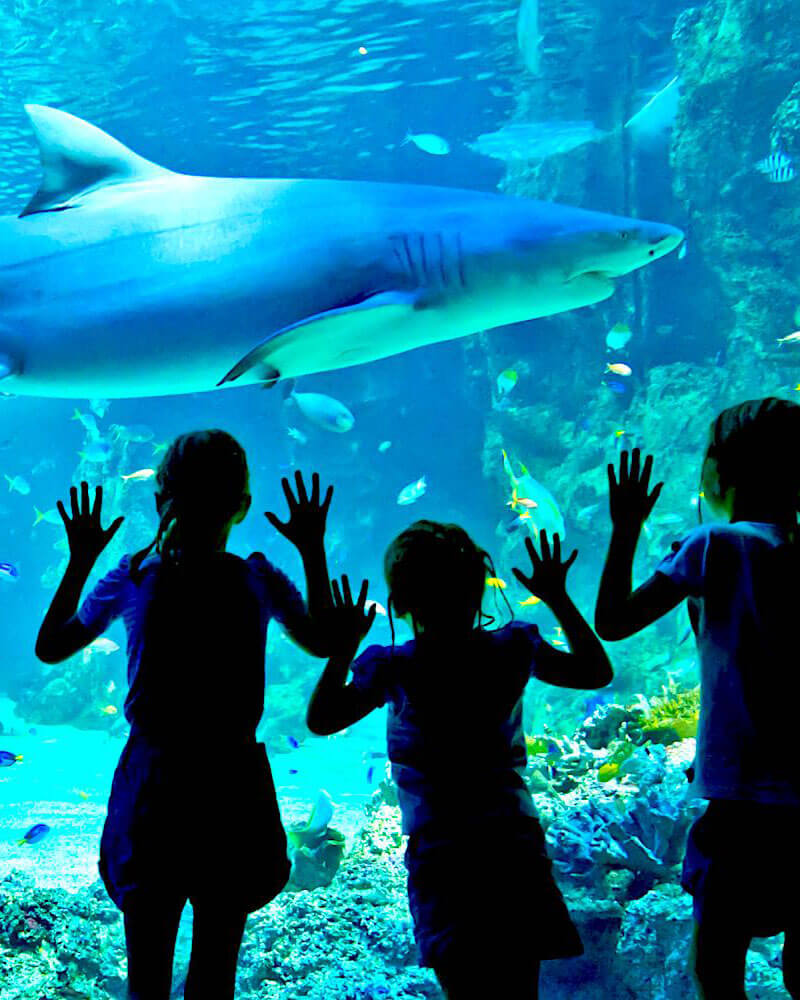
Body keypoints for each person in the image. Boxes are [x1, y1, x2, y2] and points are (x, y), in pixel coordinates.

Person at [35, 430, 334, 1000]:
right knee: (215, 974)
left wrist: (81, 559)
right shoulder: (256, 578)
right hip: (230, 785)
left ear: (159, 499)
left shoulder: (135, 576)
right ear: (243, 505)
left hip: (154, 786)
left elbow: (51, 646)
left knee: (146, 978)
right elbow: (324, 641)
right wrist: (312, 548)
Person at [306, 519, 612, 999]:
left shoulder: (394, 667)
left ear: (400, 603)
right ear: (480, 586)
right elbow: (595, 671)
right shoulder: (512, 648)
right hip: (512, 844)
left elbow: (322, 719)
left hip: (442, 852)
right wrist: (557, 597)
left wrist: (343, 649)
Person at [594, 399, 800, 1000]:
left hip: (741, 802)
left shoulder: (714, 544)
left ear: (720, 470)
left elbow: (613, 620)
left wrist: (626, 527)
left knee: (717, 968)